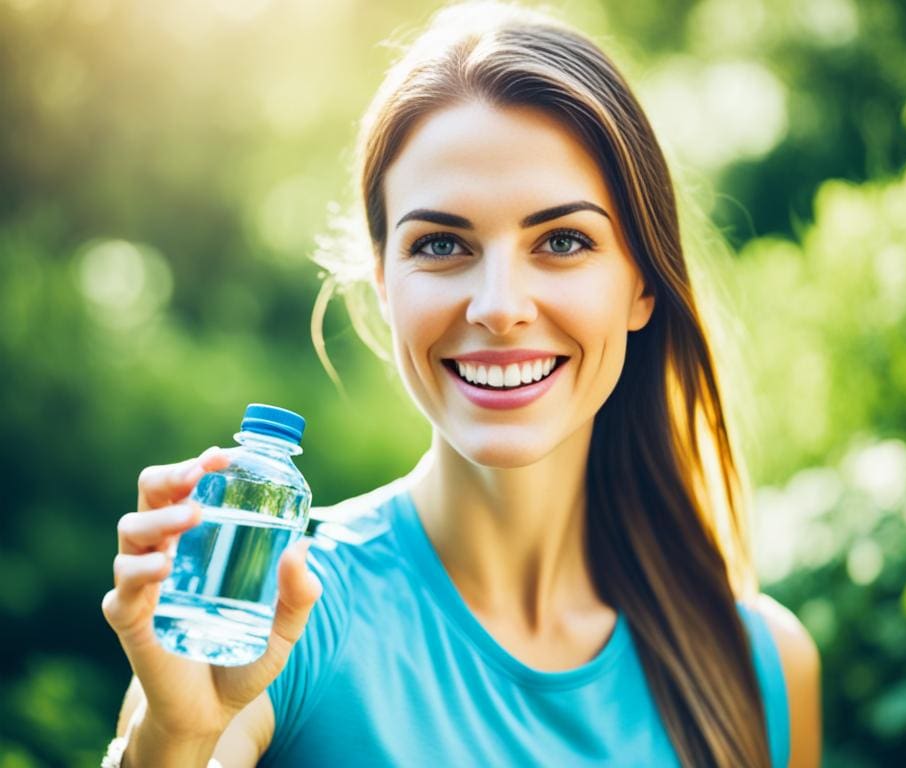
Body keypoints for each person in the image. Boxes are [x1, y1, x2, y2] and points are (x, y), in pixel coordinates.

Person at [101, 3, 822, 766]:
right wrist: (176, 737)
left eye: (563, 241)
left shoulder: (765, 667)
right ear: (383, 284)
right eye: (442, 243)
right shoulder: (277, 623)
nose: (500, 307)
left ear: (641, 284)